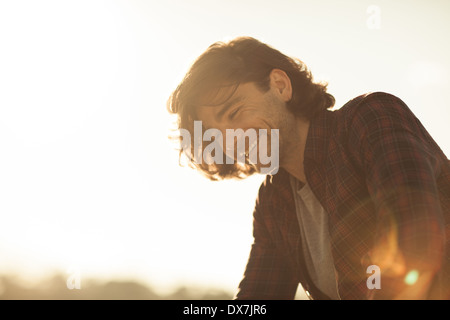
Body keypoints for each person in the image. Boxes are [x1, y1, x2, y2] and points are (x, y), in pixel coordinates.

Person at [167, 36, 450, 300]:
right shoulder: (274, 202)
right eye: (215, 134)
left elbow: (415, 240)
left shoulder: (370, 118)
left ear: (280, 85)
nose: (231, 138)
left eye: (234, 112)